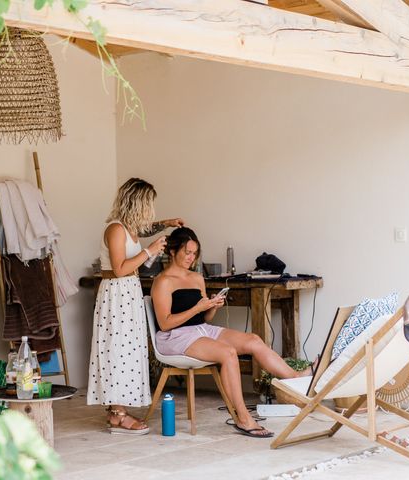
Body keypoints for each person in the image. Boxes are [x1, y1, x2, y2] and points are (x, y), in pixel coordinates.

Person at [151, 227, 315, 438]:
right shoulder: (163, 281)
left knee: (253, 340)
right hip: (175, 337)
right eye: (187, 252)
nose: (191, 258)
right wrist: (197, 308)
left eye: (194, 253)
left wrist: (211, 306)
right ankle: (243, 418)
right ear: (172, 251)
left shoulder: (196, 277)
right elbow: (165, 324)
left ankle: (294, 379)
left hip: (200, 330)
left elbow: (203, 318)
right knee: (227, 353)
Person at [87, 178, 184, 435]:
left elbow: (145, 229)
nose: (150, 210)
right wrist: (149, 251)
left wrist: (166, 224)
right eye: (148, 204)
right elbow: (119, 269)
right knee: (117, 351)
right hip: (116, 294)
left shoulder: (129, 228)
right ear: (137, 203)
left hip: (128, 294)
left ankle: (119, 411)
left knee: (128, 352)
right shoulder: (115, 229)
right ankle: (117, 416)